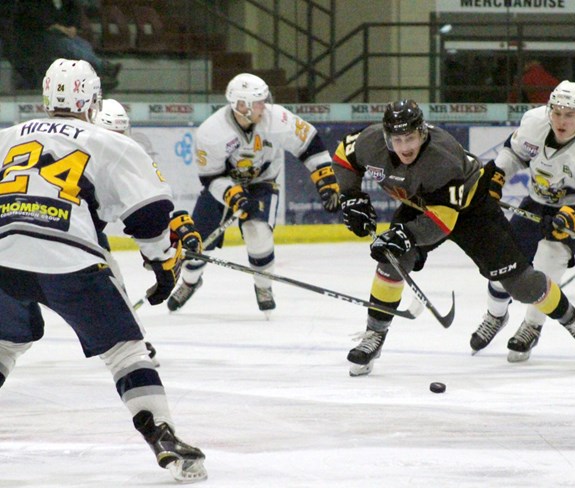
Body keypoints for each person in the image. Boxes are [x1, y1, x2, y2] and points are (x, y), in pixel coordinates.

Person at [0, 59, 206, 482]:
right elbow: (149, 216)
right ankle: (162, 435)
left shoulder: (5, 137)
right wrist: (162, 264)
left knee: (2, 345)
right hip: (68, 260)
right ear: (92, 100)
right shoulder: (109, 141)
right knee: (125, 352)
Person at [332, 98, 575, 377]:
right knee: (392, 259)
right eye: (398, 140)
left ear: (422, 132)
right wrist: (351, 196)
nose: (405, 147)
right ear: (387, 137)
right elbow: (343, 156)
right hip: (422, 205)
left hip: (471, 210)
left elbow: (443, 222)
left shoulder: (442, 157)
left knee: (521, 285)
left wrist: (406, 234)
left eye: (410, 138)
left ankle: (570, 318)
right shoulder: (371, 141)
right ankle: (373, 336)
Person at [472, 81, 575, 362]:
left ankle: (531, 325)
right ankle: (496, 315)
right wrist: (498, 174)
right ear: (549, 109)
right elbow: (514, 152)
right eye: (557, 112)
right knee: (503, 258)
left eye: (570, 114)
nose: (562, 120)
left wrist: (574, 217)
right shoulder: (534, 123)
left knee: (551, 257)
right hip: (538, 201)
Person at [167, 73, 340, 316]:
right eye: (257, 102)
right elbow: (210, 177)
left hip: (262, 182)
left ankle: (263, 286)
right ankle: (189, 282)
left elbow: (309, 142)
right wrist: (234, 196)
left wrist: (325, 178)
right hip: (223, 186)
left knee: (257, 232)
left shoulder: (275, 118)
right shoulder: (212, 132)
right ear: (241, 105)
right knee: (197, 241)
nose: (264, 106)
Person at [94, 98, 159, 366]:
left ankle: (132, 341)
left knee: (112, 280)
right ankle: (130, 344)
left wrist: (155, 245)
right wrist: (157, 250)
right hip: (64, 231)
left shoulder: (116, 159)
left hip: (74, 231)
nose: (119, 140)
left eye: (123, 133)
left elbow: (139, 209)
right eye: (113, 134)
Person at [12, 0, 121, 90]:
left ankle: (98, 74)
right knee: (68, 46)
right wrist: (61, 28)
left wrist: (72, 28)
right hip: (39, 37)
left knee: (84, 44)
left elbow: (74, 18)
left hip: (62, 35)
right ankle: (103, 66)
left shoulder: (68, 3)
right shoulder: (36, 3)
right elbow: (39, 21)